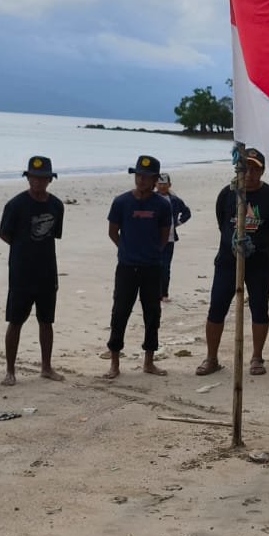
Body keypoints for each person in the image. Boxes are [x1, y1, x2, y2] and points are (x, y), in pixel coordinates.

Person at [197, 148, 269, 377]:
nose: (249, 173)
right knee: (217, 306)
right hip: (228, 261)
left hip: (259, 262)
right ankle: (212, 358)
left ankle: (256, 357)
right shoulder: (228, 193)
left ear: (262, 172)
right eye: (245, 167)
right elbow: (222, 222)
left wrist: (256, 242)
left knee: (259, 308)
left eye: (255, 168)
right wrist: (233, 241)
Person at [105, 155, 175, 379]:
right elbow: (113, 232)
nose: (141, 180)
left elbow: (165, 235)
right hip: (127, 267)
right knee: (120, 313)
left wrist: (152, 252)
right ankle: (115, 362)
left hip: (152, 267)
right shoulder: (121, 202)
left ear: (155, 180)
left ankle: (149, 361)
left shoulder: (162, 205)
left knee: (152, 314)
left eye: (146, 176)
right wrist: (127, 249)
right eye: (138, 175)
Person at [0, 155, 65, 386]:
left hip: (47, 271)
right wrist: (23, 249)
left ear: (49, 180)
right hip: (21, 272)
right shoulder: (15, 205)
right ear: (28, 178)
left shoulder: (56, 205)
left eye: (42, 179)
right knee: (15, 321)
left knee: (46, 321)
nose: (38, 183)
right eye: (34, 178)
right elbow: (5, 234)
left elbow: (54, 234)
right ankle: (10, 370)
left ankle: (46, 367)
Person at [156, 174, 192, 302]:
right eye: (159, 184)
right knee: (152, 267)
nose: (162, 186)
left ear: (169, 185)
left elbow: (187, 212)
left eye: (164, 184)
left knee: (165, 267)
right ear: (155, 184)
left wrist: (178, 222)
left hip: (170, 240)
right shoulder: (150, 199)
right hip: (153, 239)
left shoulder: (175, 200)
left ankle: (164, 294)